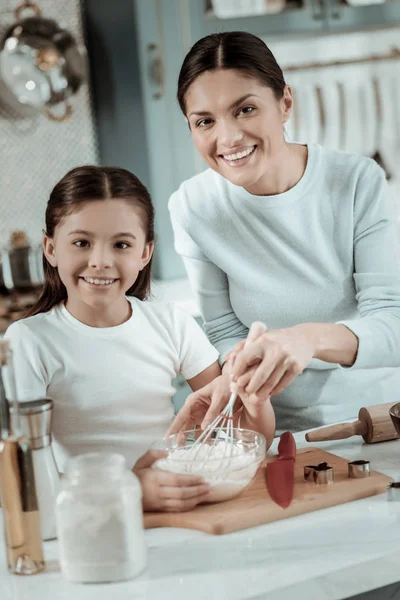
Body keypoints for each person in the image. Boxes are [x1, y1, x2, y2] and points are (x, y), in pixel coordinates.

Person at [4, 165, 275, 512]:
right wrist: (128, 490)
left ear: (145, 253)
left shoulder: (169, 322)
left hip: (179, 505)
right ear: (51, 248)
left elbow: (247, 437)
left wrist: (252, 394)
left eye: (121, 244)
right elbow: (22, 478)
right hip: (90, 518)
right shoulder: (28, 341)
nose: (100, 261)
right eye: (81, 242)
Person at [168, 31, 400, 435]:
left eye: (245, 110)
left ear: (285, 102)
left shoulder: (356, 181)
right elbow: (224, 331)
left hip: (375, 421)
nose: (228, 138)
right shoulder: (194, 206)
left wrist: (306, 339)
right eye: (205, 121)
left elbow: (393, 324)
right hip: (275, 432)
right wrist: (237, 372)